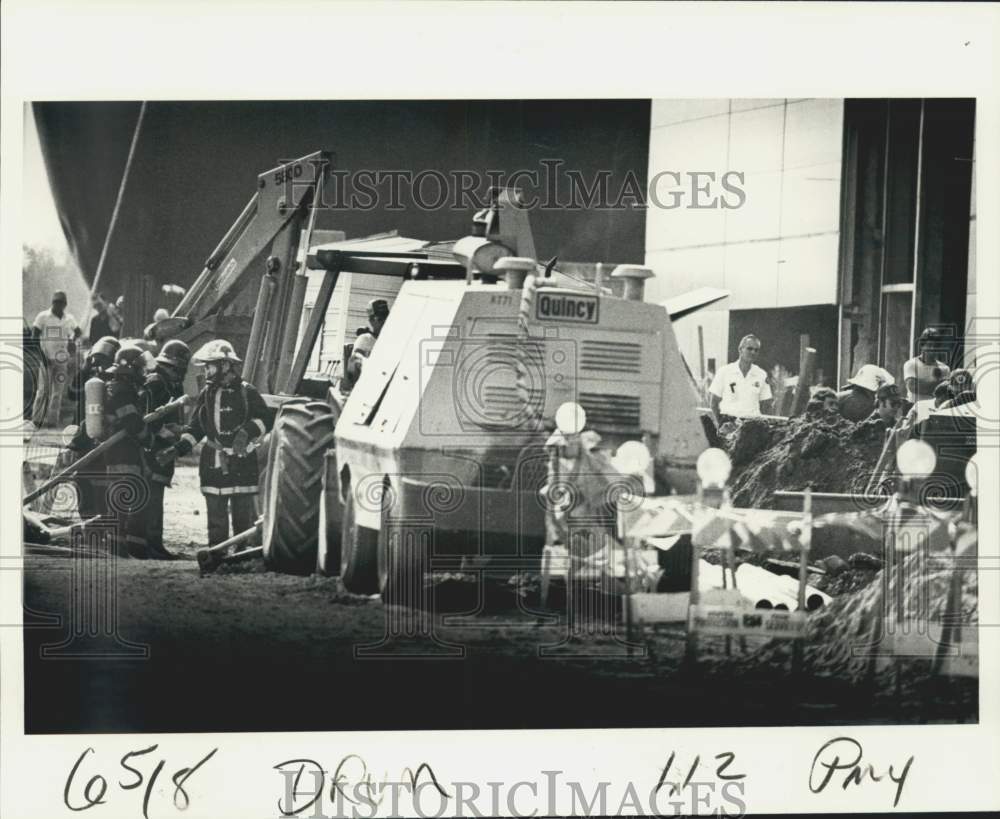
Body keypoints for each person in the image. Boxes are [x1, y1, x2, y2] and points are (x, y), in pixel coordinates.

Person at [159, 340, 270, 547]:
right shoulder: (207, 394)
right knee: (216, 519)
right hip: (213, 463)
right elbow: (196, 429)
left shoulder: (248, 392)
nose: (206, 371)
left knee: (243, 519)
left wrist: (247, 432)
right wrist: (177, 449)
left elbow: (266, 419)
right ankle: (217, 556)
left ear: (225, 365)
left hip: (243, 462)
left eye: (210, 366)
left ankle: (240, 559)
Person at [141, 339, 191, 560]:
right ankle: (149, 543)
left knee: (157, 493)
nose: (178, 373)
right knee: (151, 494)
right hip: (152, 447)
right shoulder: (155, 383)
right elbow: (145, 417)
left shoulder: (173, 384)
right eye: (176, 368)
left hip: (165, 446)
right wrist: (162, 431)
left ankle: (156, 542)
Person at [101, 344, 152, 558]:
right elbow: (132, 423)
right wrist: (147, 437)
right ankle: (120, 548)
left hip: (117, 452)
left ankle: (121, 547)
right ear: (131, 370)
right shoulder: (124, 392)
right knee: (125, 500)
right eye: (140, 369)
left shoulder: (116, 387)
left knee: (120, 500)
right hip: (124, 453)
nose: (143, 373)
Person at [65, 335, 120, 520]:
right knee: (82, 479)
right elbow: (72, 394)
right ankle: (88, 524)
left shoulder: (115, 380)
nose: (100, 365)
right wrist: (85, 368)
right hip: (82, 436)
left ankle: (98, 523)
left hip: (100, 438)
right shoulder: (90, 378)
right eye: (97, 360)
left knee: (98, 482)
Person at [31, 290, 82, 428]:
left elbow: (78, 331)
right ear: (52, 303)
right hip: (46, 358)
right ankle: (36, 420)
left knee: (58, 392)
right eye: (56, 302)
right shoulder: (43, 317)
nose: (58, 305)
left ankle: (52, 421)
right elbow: (34, 336)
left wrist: (72, 340)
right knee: (43, 390)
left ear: (65, 304)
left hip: (61, 360)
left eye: (61, 302)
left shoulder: (69, 318)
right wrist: (41, 355)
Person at [708, 334, 773, 423]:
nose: (753, 352)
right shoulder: (724, 371)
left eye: (756, 350)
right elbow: (714, 403)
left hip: (752, 425)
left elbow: (766, 405)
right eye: (749, 348)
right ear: (740, 349)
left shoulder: (761, 374)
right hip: (729, 423)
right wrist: (720, 424)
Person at [903, 327, 951, 404]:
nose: (932, 348)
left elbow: (946, 392)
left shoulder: (945, 368)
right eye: (929, 345)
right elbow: (914, 387)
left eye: (936, 346)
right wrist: (939, 385)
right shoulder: (911, 364)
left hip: (934, 409)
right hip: (915, 408)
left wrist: (924, 384)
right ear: (922, 345)